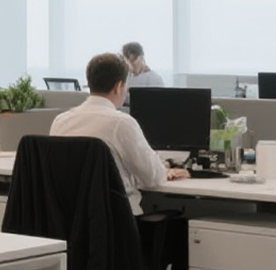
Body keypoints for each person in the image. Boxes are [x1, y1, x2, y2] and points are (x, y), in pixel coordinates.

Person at [51, 52, 189, 215]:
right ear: (118, 87)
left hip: (69, 218)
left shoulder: (60, 121)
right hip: (117, 219)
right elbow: (152, 178)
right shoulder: (121, 123)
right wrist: (164, 168)